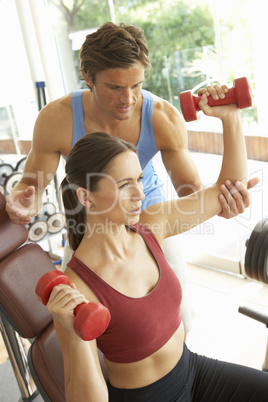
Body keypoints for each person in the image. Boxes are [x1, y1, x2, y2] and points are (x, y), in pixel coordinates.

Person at [5, 22, 257, 334]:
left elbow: (191, 192)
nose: (128, 98)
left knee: (175, 326)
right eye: (115, 87)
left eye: (136, 85)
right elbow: (32, 182)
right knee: (88, 332)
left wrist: (224, 201)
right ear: (88, 78)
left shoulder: (161, 117)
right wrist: (24, 196)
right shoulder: (57, 119)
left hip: (149, 224)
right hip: (90, 229)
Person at [45, 93, 268, 402]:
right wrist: (74, 335)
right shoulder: (77, 288)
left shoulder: (150, 224)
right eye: (124, 185)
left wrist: (230, 118)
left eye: (139, 178)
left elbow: (226, 190)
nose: (140, 193)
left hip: (193, 370)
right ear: (86, 197)